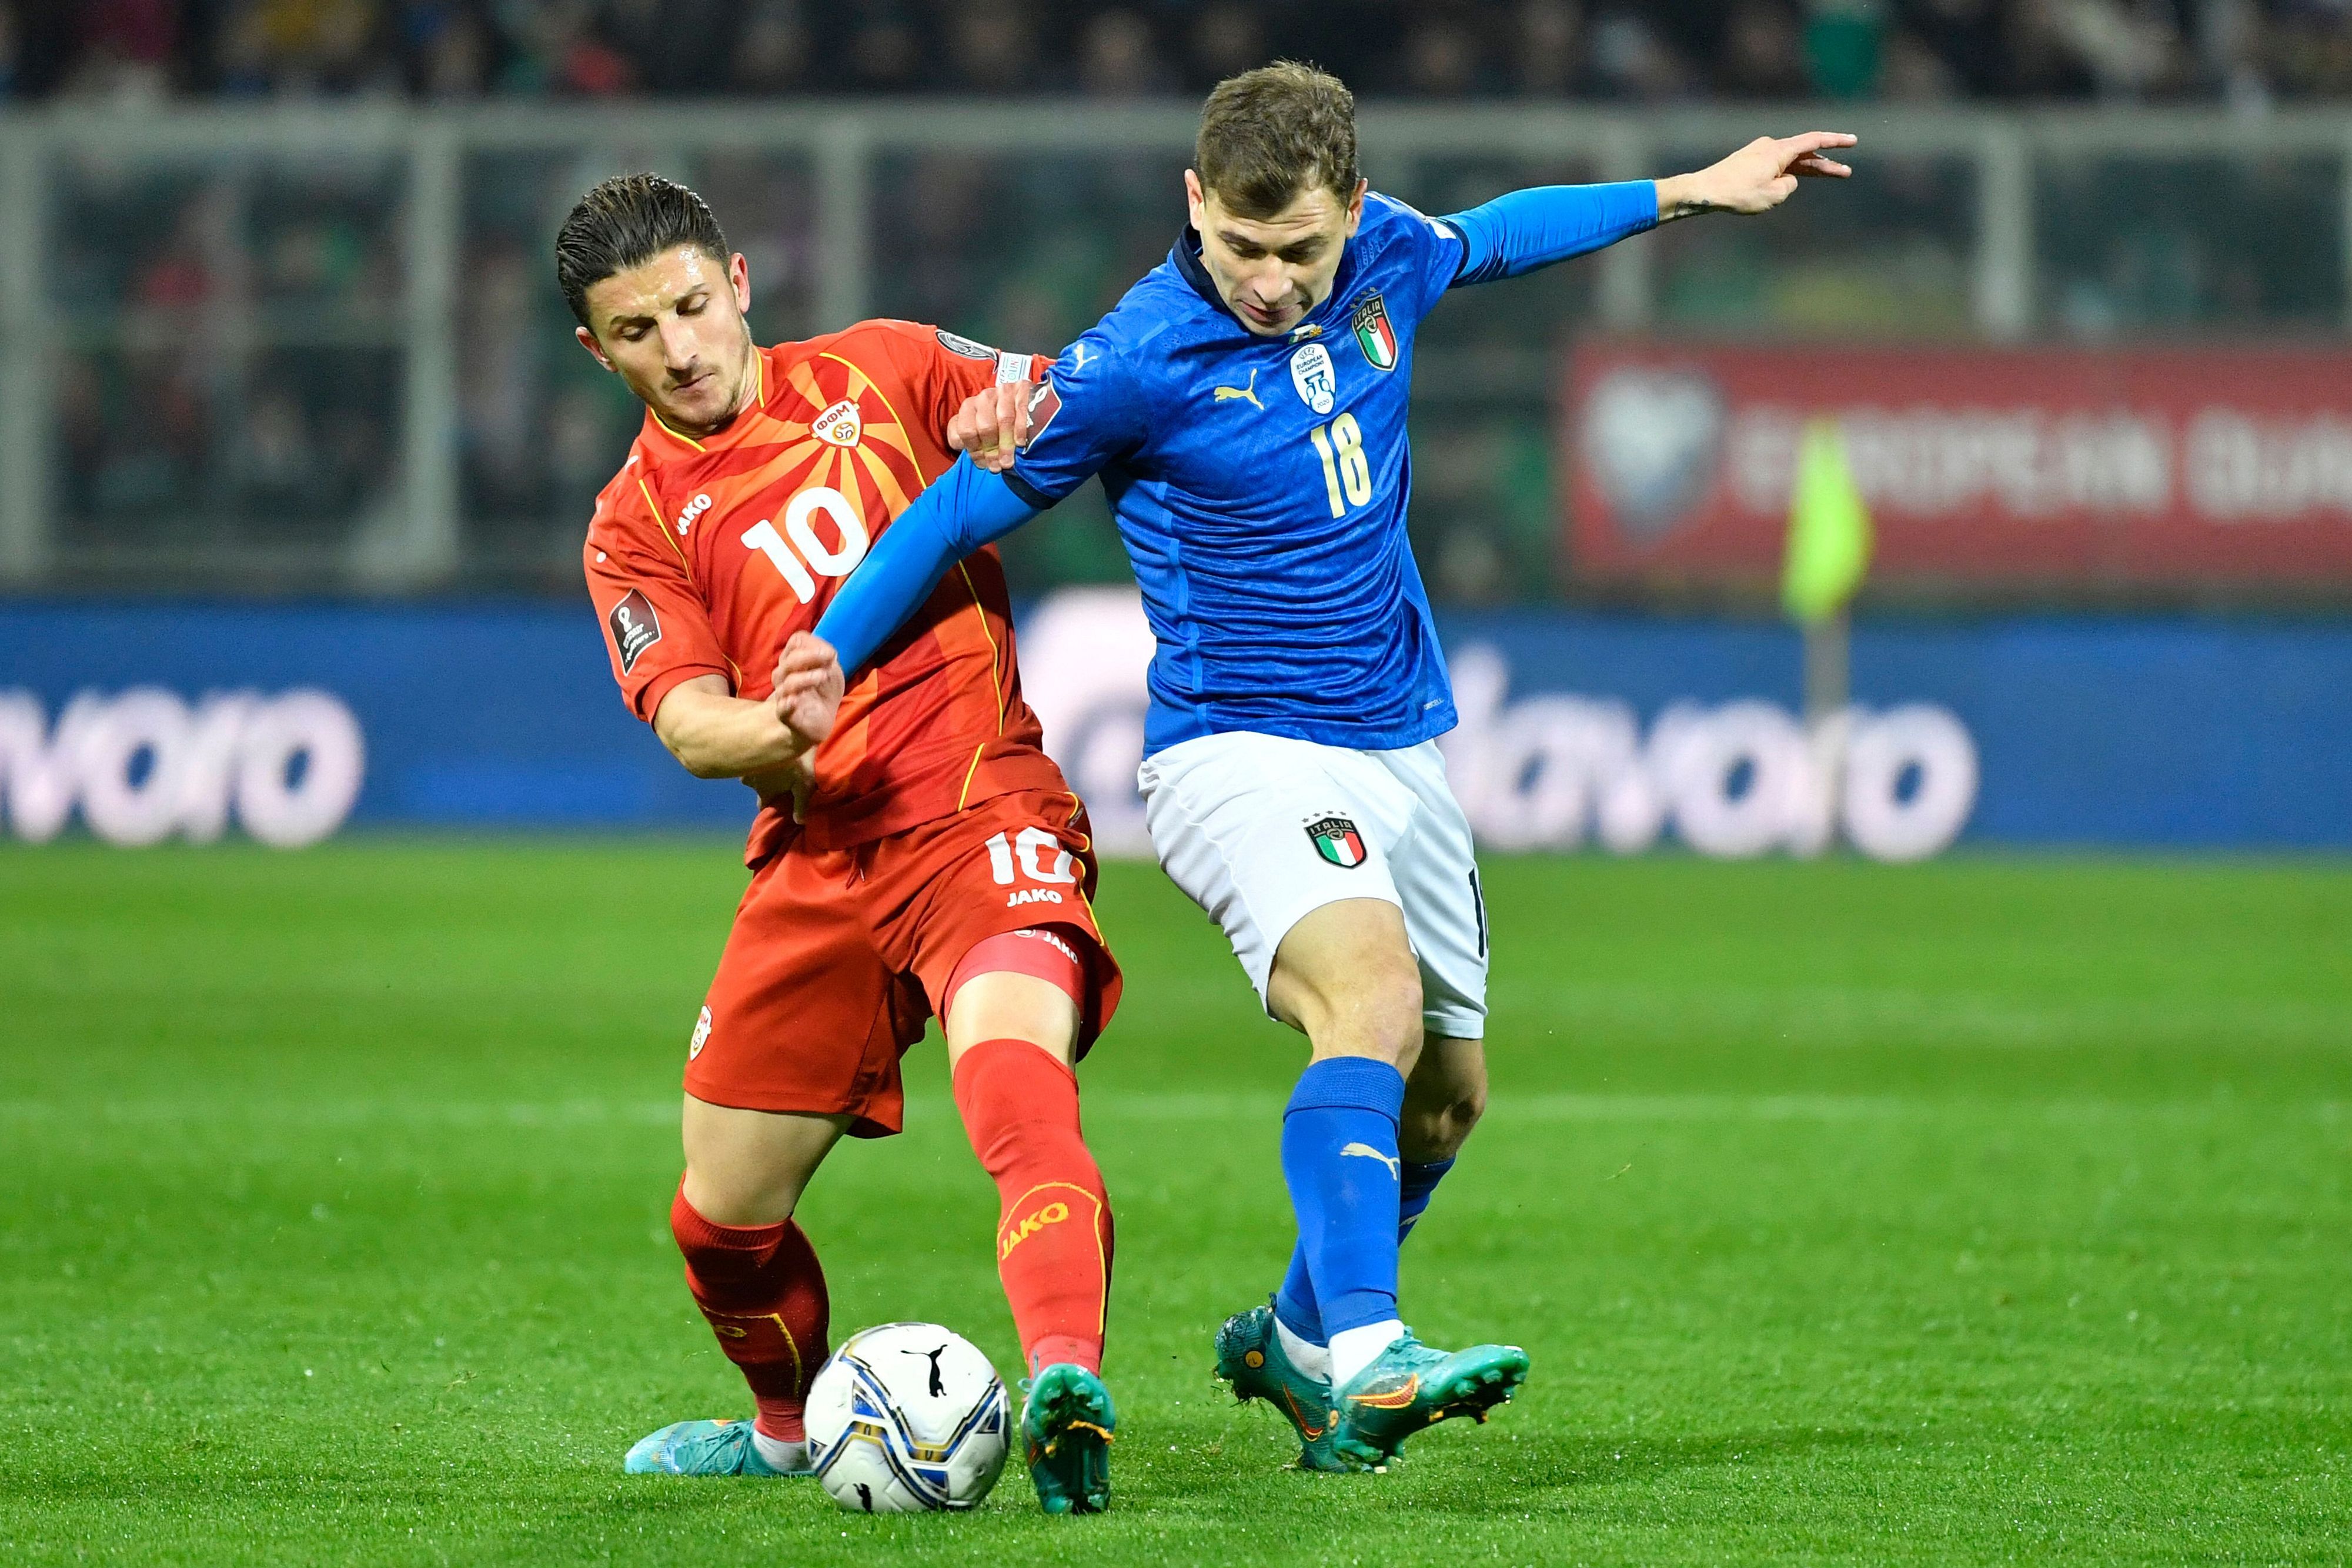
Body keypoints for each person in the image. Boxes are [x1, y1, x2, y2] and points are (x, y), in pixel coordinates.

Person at [785, 63, 1856, 1473]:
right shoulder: (1134, 358)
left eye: (1299, 248)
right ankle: (1369, 1350)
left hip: (1398, 741)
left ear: (1351, 207)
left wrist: (1689, 191)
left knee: (1447, 1098)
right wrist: (827, 651)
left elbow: (1500, 233)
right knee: (1370, 998)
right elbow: (950, 512)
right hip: (1237, 750)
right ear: (1194, 203)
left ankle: (1292, 1339)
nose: (1271, 280)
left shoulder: (1387, 255)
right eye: (1241, 245)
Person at [560, 172, 1123, 1513]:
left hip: (978, 806)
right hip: (820, 854)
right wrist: (775, 726)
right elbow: (689, 723)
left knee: (1014, 1083)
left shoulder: (886, 367)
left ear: (739, 283)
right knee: (720, 1223)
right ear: (596, 349)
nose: (679, 349)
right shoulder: (633, 524)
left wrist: (1005, 411)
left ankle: (1064, 1383)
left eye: (692, 307)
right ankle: (781, 1428)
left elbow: (1072, 395)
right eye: (637, 331)